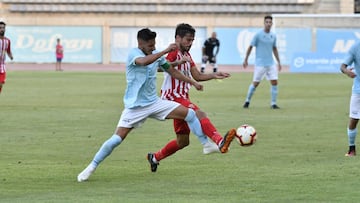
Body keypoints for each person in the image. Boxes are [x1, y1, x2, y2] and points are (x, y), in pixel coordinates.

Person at [77, 28, 235, 182]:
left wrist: (192, 82)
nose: (153, 48)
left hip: (154, 102)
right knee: (116, 140)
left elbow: (171, 71)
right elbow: (144, 62)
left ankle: (206, 144)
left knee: (190, 114)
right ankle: (92, 166)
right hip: (135, 107)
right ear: (141, 44)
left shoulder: (157, 55)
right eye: (150, 45)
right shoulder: (135, 54)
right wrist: (164, 51)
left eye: (154, 45)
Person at [146, 23, 235, 172]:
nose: (190, 43)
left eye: (192, 40)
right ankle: (219, 142)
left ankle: (154, 157)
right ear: (178, 38)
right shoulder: (173, 51)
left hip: (182, 97)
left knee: (183, 141)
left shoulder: (187, 55)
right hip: (172, 97)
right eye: (188, 39)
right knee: (198, 113)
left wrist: (214, 75)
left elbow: (197, 76)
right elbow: (161, 67)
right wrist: (175, 63)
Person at [242, 15, 282, 109]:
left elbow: (274, 49)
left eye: (270, 22)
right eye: (267, 22)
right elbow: (251, 46)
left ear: (272, 24)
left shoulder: (273, 36)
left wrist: (279, 62)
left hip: (271, 63)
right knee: (255, 83)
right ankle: (247, 101)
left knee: (275, 82)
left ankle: (273, 103)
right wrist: (246, 59)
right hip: (260, 64)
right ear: (264, 23)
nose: (268, 24)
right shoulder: (258, 35)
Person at [340, 41, 360, 157]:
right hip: (358, 90)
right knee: (354, 119)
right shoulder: (355, 47)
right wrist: (348, 72)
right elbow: (342, 66)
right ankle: (352, 148)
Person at [0, 21, 13, 94]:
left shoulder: (7, 41)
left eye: (3, 28)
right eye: (0, 28)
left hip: (2, 65)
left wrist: (11, 56)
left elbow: (8, 50)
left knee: (1, 83)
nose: (2, 29)